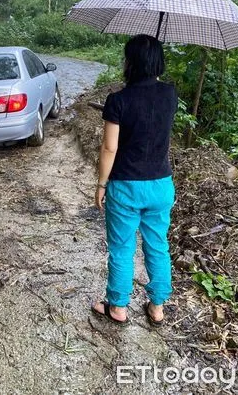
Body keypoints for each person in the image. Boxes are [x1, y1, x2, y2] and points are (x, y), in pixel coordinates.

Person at [92, 34, 178, 326]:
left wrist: (101, 184)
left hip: (126, 186)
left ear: (130, 63)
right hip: (161, 184)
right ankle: (157, 307)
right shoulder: (170, 95)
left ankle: (117, 306)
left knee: (122, 247)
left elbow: (109, 148)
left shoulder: (118, 101)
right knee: (157, 245)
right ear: (157, 61)